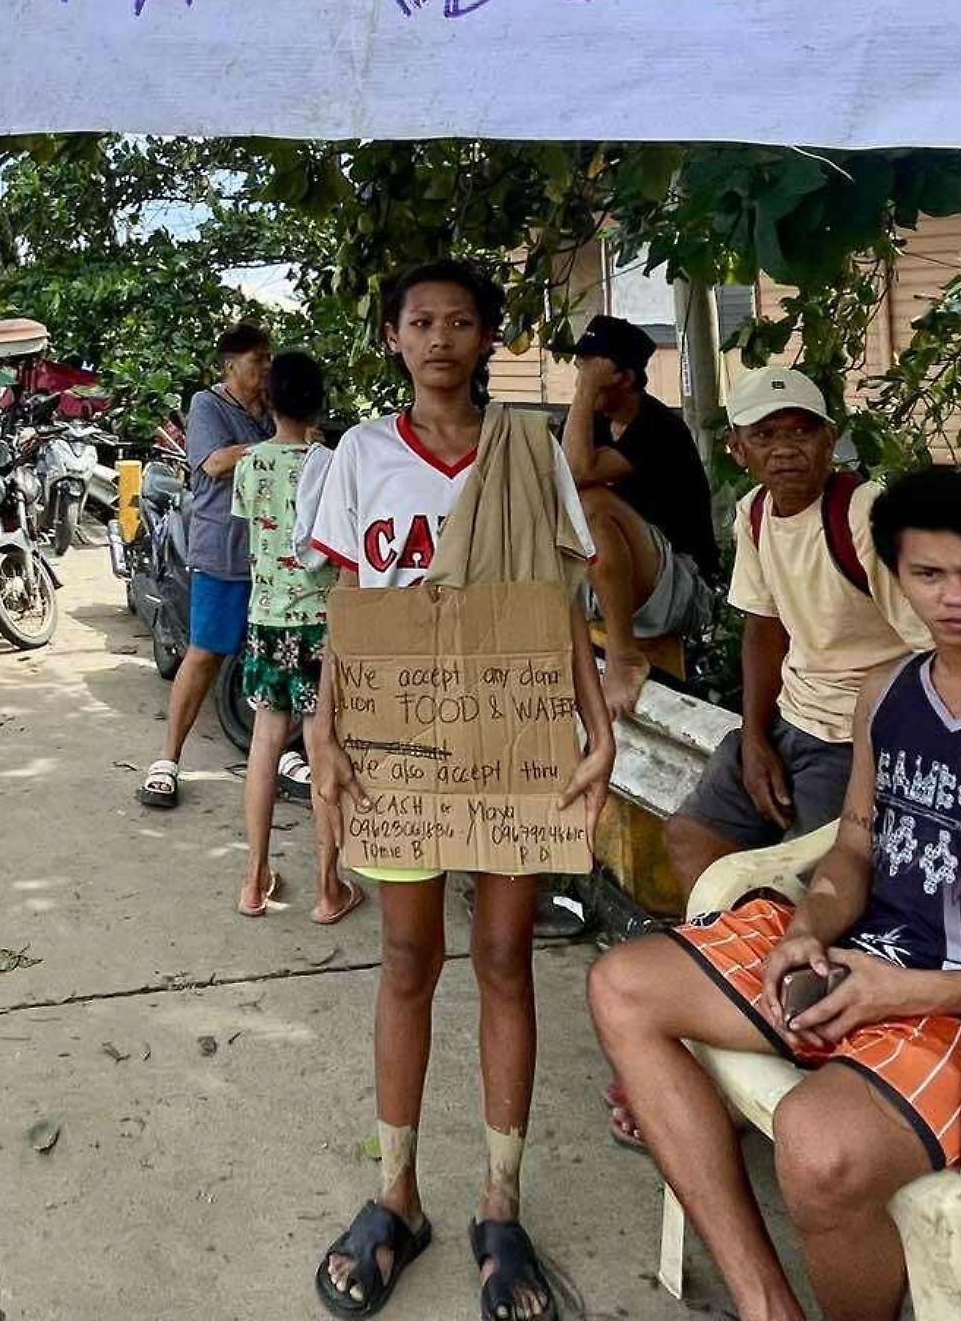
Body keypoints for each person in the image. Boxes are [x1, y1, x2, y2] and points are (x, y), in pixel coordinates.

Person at [589, 468, 961, 1321]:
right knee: (623, 986)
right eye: (929, 575)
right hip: (866, 964)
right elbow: (854, 846)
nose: (954, 598)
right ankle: (765, 1302)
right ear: (897, 581)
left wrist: (912, 993)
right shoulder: (889, 694)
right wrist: (808, 928)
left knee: (820, 1153)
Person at [304, 260, 614, 1320]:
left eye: (462, 321)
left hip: (514, 736)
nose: (441, 337)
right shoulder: (360, 453)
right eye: (421, 321)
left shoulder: (529, 447)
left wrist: (600, 724)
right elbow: (352, 604)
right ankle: (396, 1192)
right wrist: (324, 727)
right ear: (393, 336)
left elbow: (562, 601)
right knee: (405, 959)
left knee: (504, 958)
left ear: (488, 338)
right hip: (395, 739)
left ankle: (499, 1203)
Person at [665, 367, 929, 898]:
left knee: (805, 888)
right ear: (738, 448)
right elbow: (763, 629)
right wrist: (755, 738)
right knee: (693, 838)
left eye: (802, 432)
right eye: (765, 435)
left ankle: (787, 949)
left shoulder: (866, 514)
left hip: (856, 739)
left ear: (830, 440)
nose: (785, 450)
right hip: (791, 720)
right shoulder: (755, 513)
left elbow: (933, 645)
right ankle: (737, 951)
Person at [233, 349, 360, 926]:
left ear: (268, 400)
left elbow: (253, 535)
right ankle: (328, 889)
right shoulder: (330, 466)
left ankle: (254, 879)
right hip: (321, 626)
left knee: (264, 743)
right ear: (319, 401)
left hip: (266, 619)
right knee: (320, 746)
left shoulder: (250, 463)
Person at [139, 323, 272, 811]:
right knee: (205, 653)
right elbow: (214, 463)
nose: (267, 368)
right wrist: (282, 445)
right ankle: (168, 760)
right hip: (224, 551)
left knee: (275, 655)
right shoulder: (208, 405)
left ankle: (278, 753)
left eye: (269, 358)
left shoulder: (271, 409)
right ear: (231, 365)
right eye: (258, 359)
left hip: (274, 555)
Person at [561, 313, 718, 719]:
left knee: (594, 501)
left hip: (681, 587)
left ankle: (623, 655)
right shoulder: (591, 426)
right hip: (612, 583)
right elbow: (559, 484)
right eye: (580, 368)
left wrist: (585, 390)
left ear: (625, 378)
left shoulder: (660, 429)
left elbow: (577, 474)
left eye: (591, 369)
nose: (581, 378)